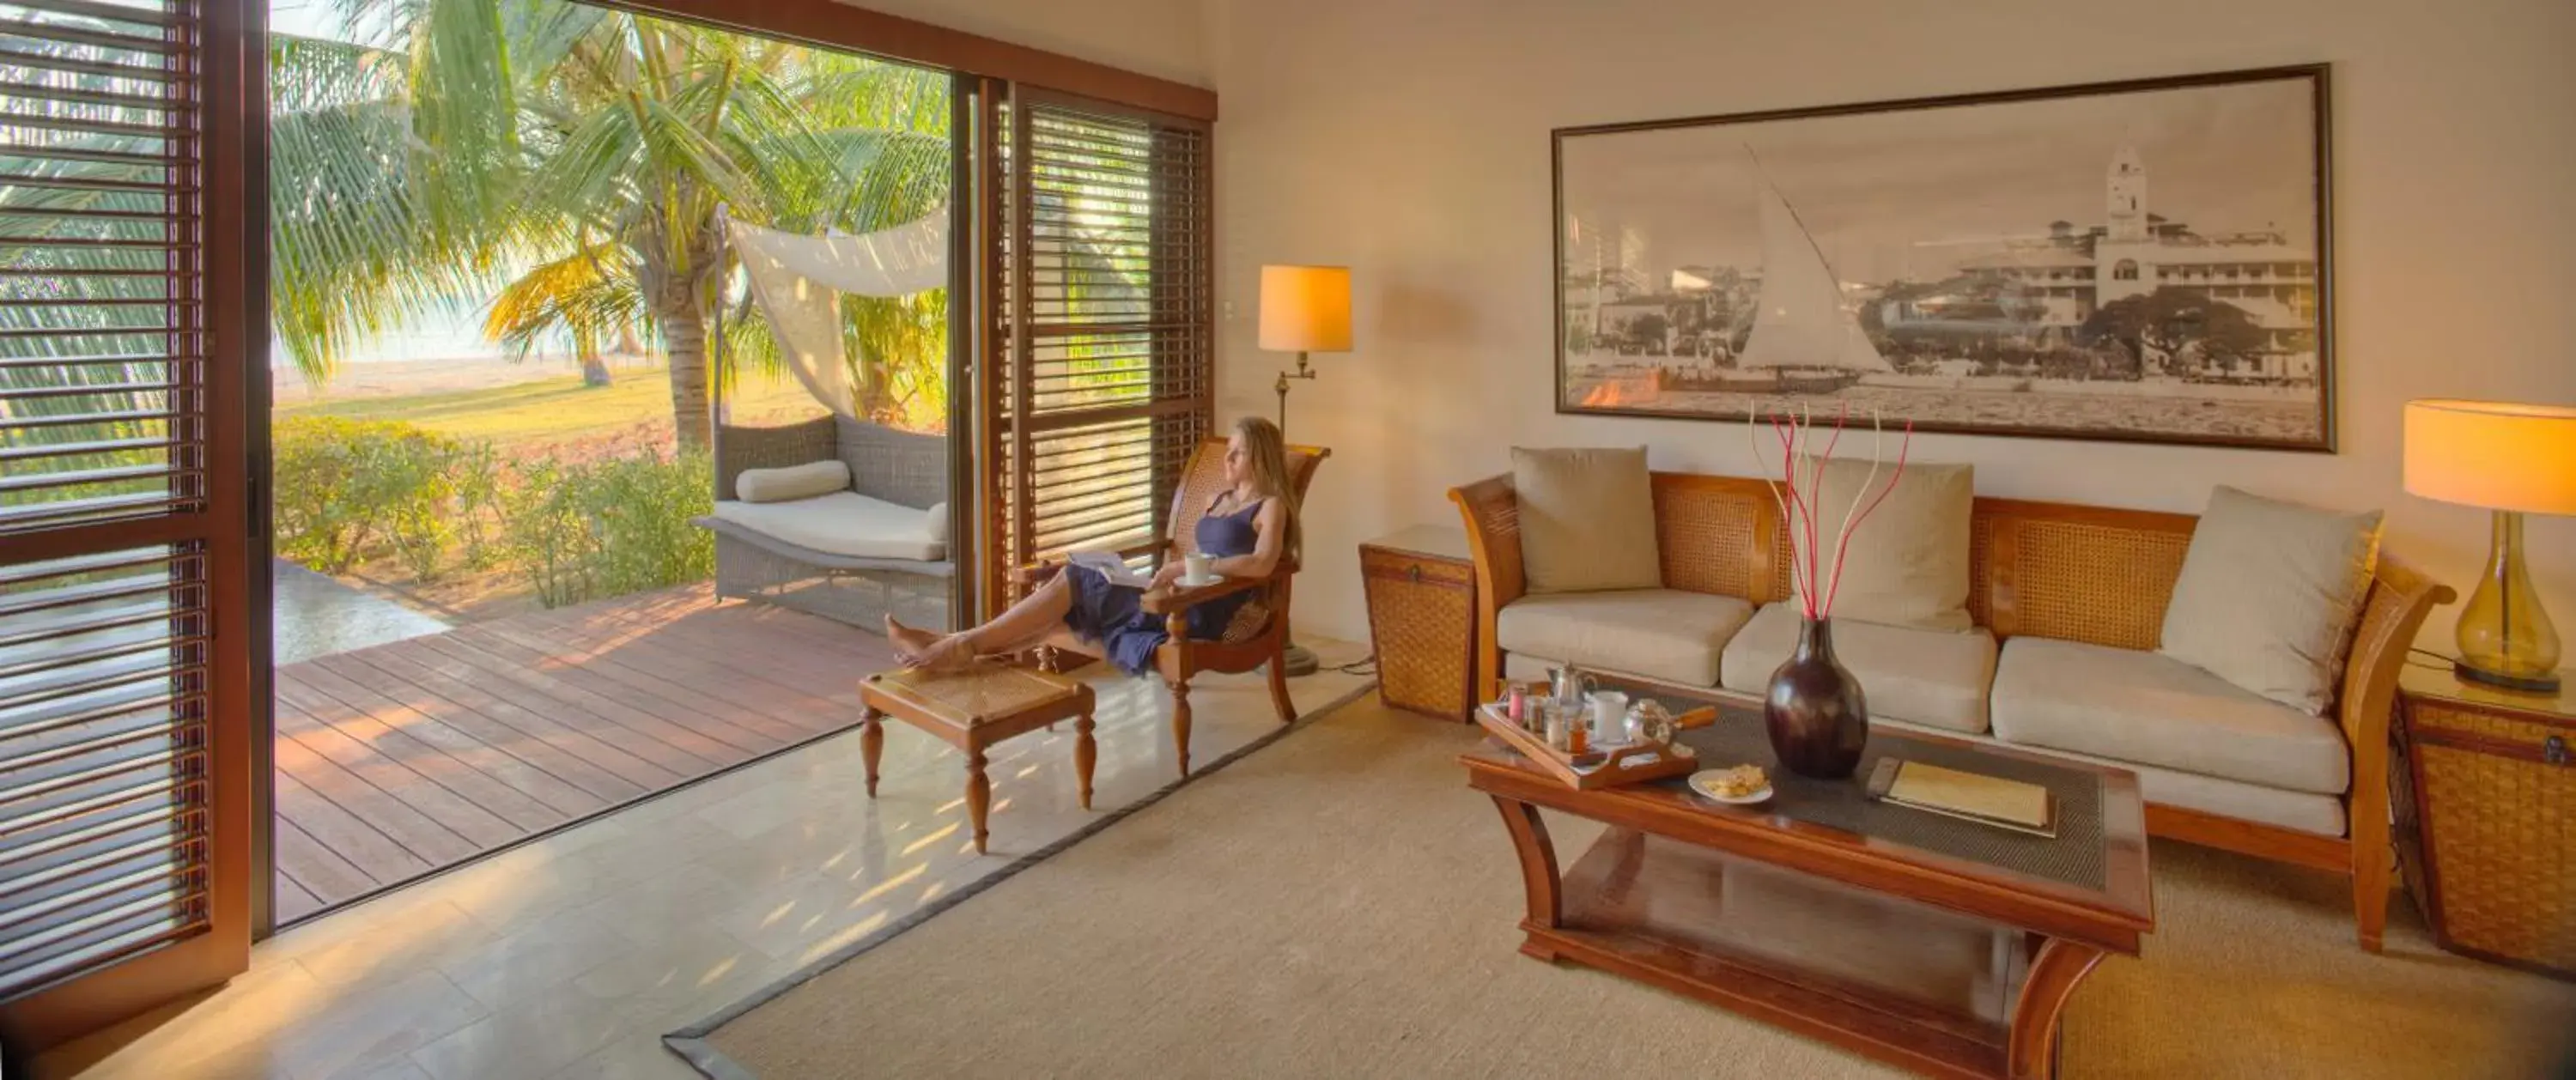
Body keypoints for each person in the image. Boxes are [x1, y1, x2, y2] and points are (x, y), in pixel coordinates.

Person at [886, 416, 1301, 675]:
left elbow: (1264, 564)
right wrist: (1172, 573)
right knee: (1055, 617)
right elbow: (1194, 556)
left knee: (1074, 578)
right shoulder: (1217, 500)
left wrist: (1192, 570)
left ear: (1260, 458)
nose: (1226, 461)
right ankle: (954, 644)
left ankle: (953, 643)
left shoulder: (1270, 506)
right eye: (1227, 452)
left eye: (1236, 454)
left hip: (1200, 610)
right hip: (1169, 592)